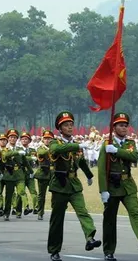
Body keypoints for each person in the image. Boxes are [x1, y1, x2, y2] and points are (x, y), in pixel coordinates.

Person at [98, 112, 138, 261]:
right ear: (114, 127)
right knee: (110, 220)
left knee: (135, 212)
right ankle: (109, 251)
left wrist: (117, 151)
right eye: (120, 126)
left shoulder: (130, 144)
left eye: (125, 126)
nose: (124, 128)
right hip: (112, 186)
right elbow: (101, 170)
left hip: (128, 185)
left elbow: (134, 157)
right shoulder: (106, 144)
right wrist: (103, 190)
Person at [47, 111, 101, 261]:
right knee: (57, 219)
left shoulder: (76, 144)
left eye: (71, 125)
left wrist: (89, 175)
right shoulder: (55, 142)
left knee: (83, 212)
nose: (70, 127)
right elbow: (55, 151)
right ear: (60, 128)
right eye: (66, 125)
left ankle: (90, 238)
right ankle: (54, 250)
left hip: (74, 185)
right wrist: (76, 145)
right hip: (59, 185)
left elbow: (81, 161)